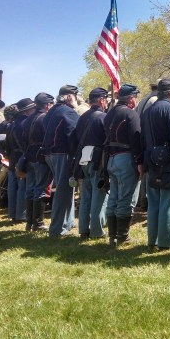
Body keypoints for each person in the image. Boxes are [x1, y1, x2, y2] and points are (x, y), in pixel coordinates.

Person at [140, 79, 170, 249]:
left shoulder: (148, 111)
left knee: (154, 204)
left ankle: (153, 240)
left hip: (151, 160)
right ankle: (168, 242)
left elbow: (142, 139)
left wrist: (143, 162)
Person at [103, 84, 143, 247]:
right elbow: (136, 139)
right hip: (126, 158)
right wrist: (139, 161)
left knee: (113, 198)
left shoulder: (109, 113)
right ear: (131, 98)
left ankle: (112, 235)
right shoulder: (130, 113)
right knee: (126, 199)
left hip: (111, 158)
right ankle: (122, 236)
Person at [42, 85, 80, 236]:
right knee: (63, 191)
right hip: (62, 154)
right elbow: (73, 136)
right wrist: (75, 156)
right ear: (70, 97)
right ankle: (57, 229)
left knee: (66, 189)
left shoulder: (51, 111)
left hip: (50, 154)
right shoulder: (69, 112)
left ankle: (68, 223)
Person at [72, 88, 109, 239]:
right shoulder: (103, 117)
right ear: (101, 100)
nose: (106, 102)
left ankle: (83, 230)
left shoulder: (82, 117)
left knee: (85, 197)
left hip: (83, 159)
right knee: (98, 196)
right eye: (105, 99)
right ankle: (97, 231)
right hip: (97, 159)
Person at [21, 92, 54, 232]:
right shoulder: (46, 118)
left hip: (29, 156)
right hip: (40, 157)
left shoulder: (27, 120)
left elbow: (23, 139)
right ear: (47, 105)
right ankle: (38, 223)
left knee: (30, 190)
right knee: (40, 189)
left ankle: (29, 223)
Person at [5, 98, 34, 223]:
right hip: (22, 157)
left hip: (12, 158)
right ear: (27, 111)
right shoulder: (26, 123)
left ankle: (12, 213)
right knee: (22, 187)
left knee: (12, 187)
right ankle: (21, 215)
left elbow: (6, 144)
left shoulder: (11, 124)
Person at [136, 81, 159, 213]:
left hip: (142, 137)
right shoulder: (155, 100)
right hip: (150, 138)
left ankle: (142, 201)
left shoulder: (144, 99)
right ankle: (147, 201)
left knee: (144, 172)